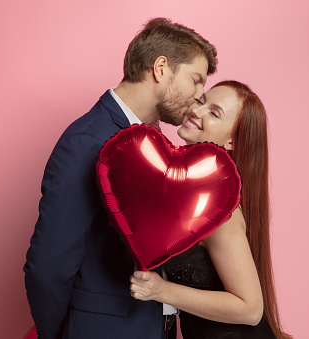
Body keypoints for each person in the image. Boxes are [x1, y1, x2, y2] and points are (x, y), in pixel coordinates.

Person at [23, 18, 217, 339]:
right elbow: (48, 267)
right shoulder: (88, 140)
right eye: (196, 80)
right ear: (161, 68)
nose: (200, 96)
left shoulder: (154, 140)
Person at [130, 81, 292, 339]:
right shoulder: (194, 191)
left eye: (214, 113)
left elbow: (250, 309)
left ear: (232, 141)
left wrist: (161, 291)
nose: (197, 111)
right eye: (202, 101)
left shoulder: (219, 209)